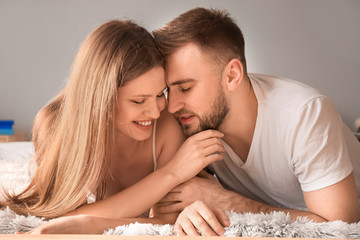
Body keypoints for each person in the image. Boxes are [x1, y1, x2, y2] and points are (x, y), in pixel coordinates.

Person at [0, 19, 225, 234]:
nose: (156, 111)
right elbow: (64, 214)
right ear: (100, 99)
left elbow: (166, 219)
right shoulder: (54, 126)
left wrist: (87, 223)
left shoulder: (166, 126)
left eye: (159, 94)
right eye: (138, 101)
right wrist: (171, 173)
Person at [151, 7, 360, 236]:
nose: (172, 106)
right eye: (168, 90)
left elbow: (340, 230)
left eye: (186, 88)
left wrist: (223, 200)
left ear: (232, 76)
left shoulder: (304, 113)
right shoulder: (188, 119)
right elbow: (160, 209)